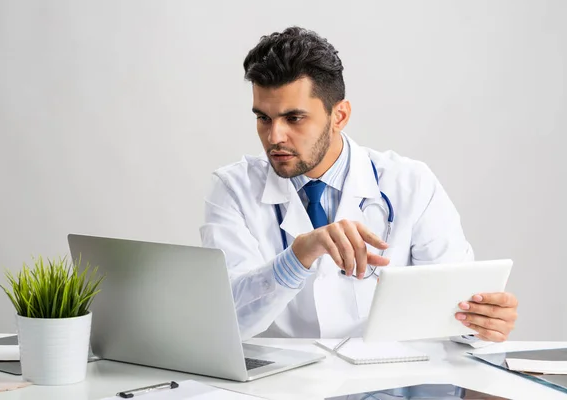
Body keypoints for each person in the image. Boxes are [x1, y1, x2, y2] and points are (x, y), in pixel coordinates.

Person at [200, 26, 518, 342]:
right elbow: (227, 321)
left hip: (384, 381)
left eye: (294, 118)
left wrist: (480, 322)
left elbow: (454, 310)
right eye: (263, 118)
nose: (274, 137)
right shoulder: (233, 189)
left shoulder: (411, 184)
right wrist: (297, 257)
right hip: (278, 386)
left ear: (339, 115)